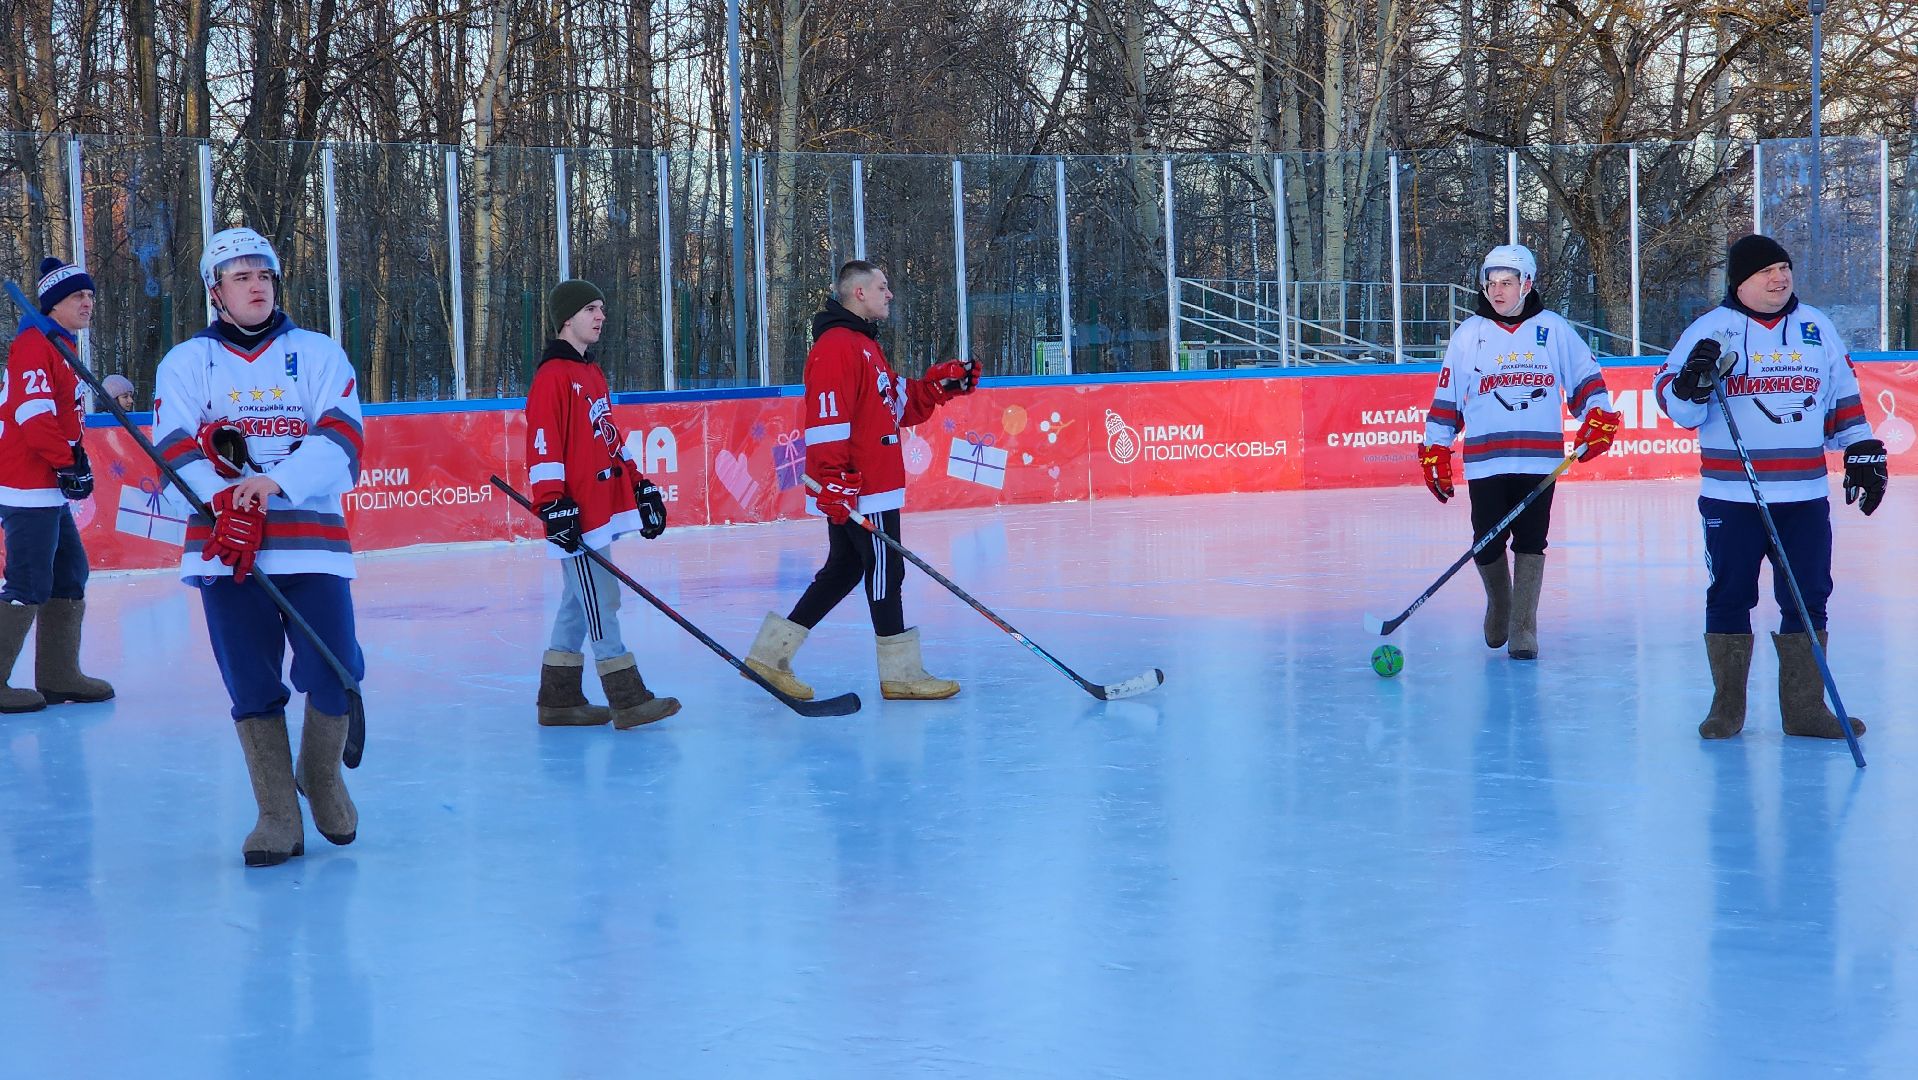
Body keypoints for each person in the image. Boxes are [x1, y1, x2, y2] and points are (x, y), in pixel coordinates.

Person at [153, 227, 367, 867]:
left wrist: (276, 481)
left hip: (312, 544)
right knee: (250, 682)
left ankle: (321, 775)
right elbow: (172, 442)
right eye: (240, 276)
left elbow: (343, 433)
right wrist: (220, 499)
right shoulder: (187, 362)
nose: (255, 285)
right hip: (225, 548)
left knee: (334, 670)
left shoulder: (319, 352)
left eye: (263, 275)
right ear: (216, 293)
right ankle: (277, 812)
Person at [1655, 233, 1884, 741]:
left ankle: (1805, 710)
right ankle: (1727, 709)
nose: (1780, 277)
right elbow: (1677, 408)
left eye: (1785, 268)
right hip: (1732, 497)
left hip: (1803, 496)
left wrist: (1861, 449)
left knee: (1809, 597)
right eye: (1767, 271)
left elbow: (1843, 403)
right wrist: (1690, 385)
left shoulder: (1816, 328)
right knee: (1731, 594)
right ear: (1741, 281)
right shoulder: (1711, 329)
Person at [742, 260, 978, 700]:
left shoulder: (863, 345)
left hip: (863, 484)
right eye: (882, 287)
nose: (890, 294)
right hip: (861, 489)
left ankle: (768, 658)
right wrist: (833, 480)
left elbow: (895, 403)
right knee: (885, 569)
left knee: (845, 569)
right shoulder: (838, 346)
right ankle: (901, 675)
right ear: (859, 293)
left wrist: (940, 385)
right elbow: (829, 419)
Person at [1420, 243, 1622, 660]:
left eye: (1507, 283)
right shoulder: (1469, 333)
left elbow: (1586, 379)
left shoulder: (1553, 328)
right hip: (1486, 460)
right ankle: (1500, 602)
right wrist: (1436, 447)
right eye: (1491, 283)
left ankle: (1524, 627)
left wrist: (1597, 416)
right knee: (1486, 540)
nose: (1497, 291)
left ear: (1526, 285)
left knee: (1532, 540)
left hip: (1539, 458)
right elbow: (1448, 398)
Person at [524, 278, 678, 730]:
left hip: (598, 507)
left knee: (579, 600)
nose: (600, 316)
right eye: (591, 308)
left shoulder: (590, 373)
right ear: (566, 318)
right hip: (577, 513)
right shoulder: (553, 376)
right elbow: (543, 447)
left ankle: (558, 700)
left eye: (602, 308)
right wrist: (553, 505)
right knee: (600, 599)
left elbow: (610, 439)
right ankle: (627, 698)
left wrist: (640, 487)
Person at [0, 258, 114, 712]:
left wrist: (72, 460)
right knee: (28, 580)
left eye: (89, 296)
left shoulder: (62, 345)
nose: (87, 303)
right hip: (28, 485)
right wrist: (67, 463)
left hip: (48, 485)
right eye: (76, 297)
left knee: (69, 573)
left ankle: (59, 675)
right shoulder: (35, 345)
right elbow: (33, 415)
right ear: (52, 305)